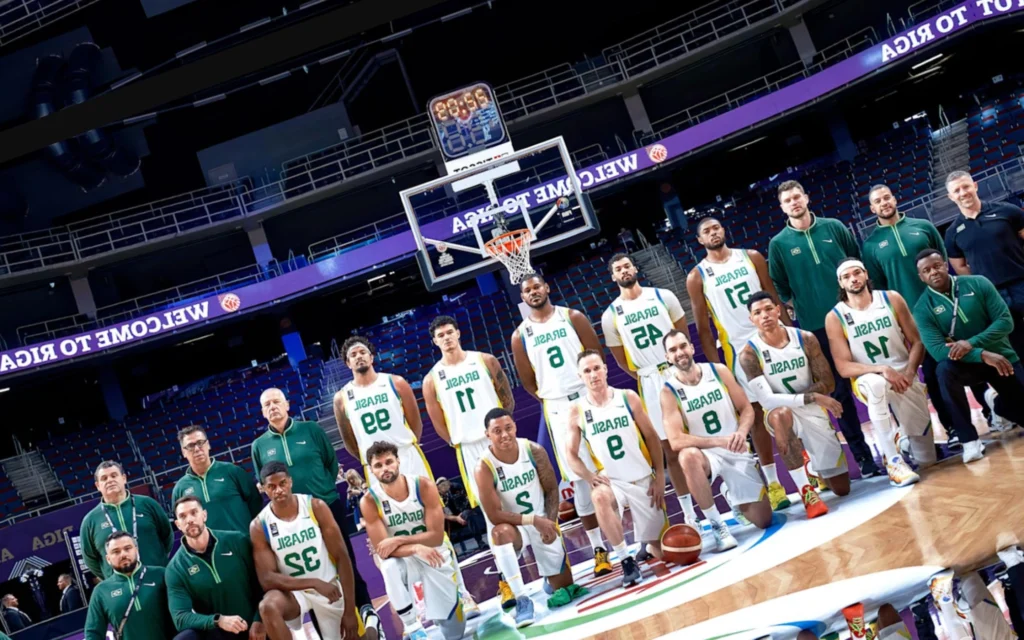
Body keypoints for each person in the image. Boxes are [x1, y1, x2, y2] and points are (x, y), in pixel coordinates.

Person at [768, 180, 879, 477]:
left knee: (876, 376)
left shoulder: (834, 227)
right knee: (840, 393)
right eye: (787, 200)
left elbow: (856, 262)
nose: (794, 202)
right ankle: (864, 457)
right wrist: (801, 303)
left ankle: (899, 444)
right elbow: (779, 286)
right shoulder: (779, 244)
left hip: (852, 316)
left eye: (797, 196)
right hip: (816, 327)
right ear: (782, 207)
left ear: (806, 197)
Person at [685, 217, 793, 511]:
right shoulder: (698, 276)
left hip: (771, 338)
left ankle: (808, 470)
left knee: (791, 405)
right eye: (706, 231)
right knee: (755, 416)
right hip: (736, 350)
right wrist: (713, 370)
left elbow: (773, 297)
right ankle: (773, 483)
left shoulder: (752, 257)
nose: (713, 232)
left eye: (716, 227)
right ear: (699, 240)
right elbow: (703, 327)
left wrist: (787, 335)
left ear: (724, 230)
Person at [251, 387, 375, 633]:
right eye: (267, 405)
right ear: (263, 412)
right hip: (290, 518)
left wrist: (321, 492)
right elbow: (263, 479)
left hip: (324, 504)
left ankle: (367, 612)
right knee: (313, 574)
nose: (272, 407)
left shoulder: (311, 430)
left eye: (276, 402)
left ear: (287, 404)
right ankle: (328, 630)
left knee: (345, 560)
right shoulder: (259, 446)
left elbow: (330, 463)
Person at [510, 273, 609, 577]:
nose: (533, 292)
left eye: (537, 286)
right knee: (580, 479)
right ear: (523, 297)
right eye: (527, 290)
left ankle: (645, 535)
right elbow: (528, 381)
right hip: (556, 406)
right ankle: (599, 550)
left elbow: (596, 356)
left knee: (614, 462)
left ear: (547, 287)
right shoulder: (520, 335)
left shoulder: (573, 317)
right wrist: (552, 397)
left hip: (587, 395)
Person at [859, 184, 972, 441]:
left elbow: (940, 262)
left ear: (895, 198)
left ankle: (988, 412)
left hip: (944, 305)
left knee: (964, 355)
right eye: (878, 200)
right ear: (872, 208)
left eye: (887, 197)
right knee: (933, 373)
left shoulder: (923, 226)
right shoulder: (870, 245)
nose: (884, 202)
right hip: (912, 319)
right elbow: (879, 286)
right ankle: (952, 427)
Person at [600, 253, 699, 525]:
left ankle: (720, 496)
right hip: (649, 379)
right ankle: (689, 513)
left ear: (635, 268)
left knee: (700, 435)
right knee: (670, 450)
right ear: (613, 276)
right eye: (618, 268)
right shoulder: (610, 316)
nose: (624, 271)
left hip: (677, 370)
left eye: (627, 266)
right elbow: (621, 360)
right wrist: (645, 374)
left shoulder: (663, 296)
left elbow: (682, 336)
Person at [738, 292, 851, 519]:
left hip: (810, 411)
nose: (765, 315)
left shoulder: (805, 338)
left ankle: (811, 465)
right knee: (780, 414)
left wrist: (809, 399)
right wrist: (813, 397)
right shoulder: (749, 354)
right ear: (751, 320)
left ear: (778, 310)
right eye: (757, 313)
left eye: (769, 309)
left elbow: (827, 382)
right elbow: (767, 401)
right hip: (781, 412)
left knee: (841, 488)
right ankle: (806, 491)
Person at [660, 329, 773, 551]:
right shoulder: (669, 390)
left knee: (763, 520)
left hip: (735, 447)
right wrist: (719, 441)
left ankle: (732, 496)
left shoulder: (718, 371)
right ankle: (717, 524)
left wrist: (741, 433)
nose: (679, 352)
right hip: (707, 454)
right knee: (687, 456)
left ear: (691, 348)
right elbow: (675, 440)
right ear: (667, 358)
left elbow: (746, 409)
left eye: (682, 346)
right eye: (672, 350)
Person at [474, 408, 588, 628]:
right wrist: (533, 520)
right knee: (500, 533)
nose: (504, 434)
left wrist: (551, 522)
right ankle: (521, 599)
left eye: (508, 428)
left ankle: (550, 577)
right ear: (487, 434)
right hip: (513, 526)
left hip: (542, 519)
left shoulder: (533, 450)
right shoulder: (484, 467)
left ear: (515, 426)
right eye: (497, 431)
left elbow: (552, 490)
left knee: (564, 588)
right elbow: (494, 515)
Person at [825, 258, 936, 483]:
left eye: (857, 273)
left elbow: (917, 342)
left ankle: (903, 441)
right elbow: (844, 367)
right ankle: (893, 461)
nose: (853, 279)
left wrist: (908, 372)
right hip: (869, 378)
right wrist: (882, 369)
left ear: (866, 274)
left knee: (928, 460)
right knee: (876, 386)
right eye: (846, 277)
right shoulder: (835, 317)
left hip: (904, 376)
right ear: (840, 283)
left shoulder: (891, 299)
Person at [565, 350, 667, 586]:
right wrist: (589, 476)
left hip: (643, 480)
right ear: (580, 376)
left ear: (605, 368)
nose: (593, 375)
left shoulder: (627, 397)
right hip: (613, 483)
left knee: (664, 552)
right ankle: (625, 559)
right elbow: (571, 455)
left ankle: (647, 544)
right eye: (587, 371)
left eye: (597, 368)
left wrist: (660, 475)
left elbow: (652, 437)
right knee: (598, 496)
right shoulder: (577, 410)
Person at [913, 249, 1024, 463]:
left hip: (1001, 357)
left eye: (936, 266)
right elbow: (937, 350)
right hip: (965, 366)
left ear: (945, 265)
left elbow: (1005, 321)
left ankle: (997, 405)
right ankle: (969, 439)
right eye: (926, 270)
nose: (933, 272)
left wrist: (970, 343)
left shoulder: (978, 283)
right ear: (921, 277)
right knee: (943, 370)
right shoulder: (922, 308)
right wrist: (981, 354)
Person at [359, 442, 467, 640]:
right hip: (406, 559)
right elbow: (383, 550)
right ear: (371, 470)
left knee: (455, 633)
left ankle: (449, 605)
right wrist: (416, 547)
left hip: (434, 553)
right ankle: (412, 626)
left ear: (398, 461)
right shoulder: (369, 501)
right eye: (378, 465)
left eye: (389, 462)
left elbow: (435, 536)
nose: (385, 468)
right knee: (389, 566)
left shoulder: (423, 485)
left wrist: (399, 539)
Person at [251, 462, 363, 640]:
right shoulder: (260, 525)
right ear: (264, 488)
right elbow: (267, 579)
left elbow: (342, 557)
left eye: (282, 484)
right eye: (271, 487)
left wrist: (350, 611)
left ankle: (370, 623)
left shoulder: (315, 506)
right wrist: (313, 582)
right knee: (268, 606)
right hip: (294, 594)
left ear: (290, 482)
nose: (278, 490)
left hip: (329, 587)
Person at [423, 315, 515, 510]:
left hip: (497, 437)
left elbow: (507, 398)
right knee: (488, 504)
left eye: (449, 332)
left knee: (517, 490)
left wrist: (503, 430)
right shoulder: (431, 379)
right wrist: (455, 440)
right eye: (441, 335)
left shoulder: (485, 360)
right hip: (467, 445)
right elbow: (437, 421)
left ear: (458, 333)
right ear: (435, 341)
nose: (446, 337)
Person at [944, 170, 1024, 361]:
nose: (963, 193)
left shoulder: (1007, 211)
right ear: (950, 197)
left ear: (975, 186)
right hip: (993, 296)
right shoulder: (953, 232)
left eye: (966, 186)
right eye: (957, 190)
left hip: (1021, 281)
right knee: (1015, 345)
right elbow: (960, 267)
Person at [335, 336, 432, 488]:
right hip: (376, 465)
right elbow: (349, 440)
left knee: (427, 503)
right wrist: (371, 459)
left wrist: (406, 444)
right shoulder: (341, 398)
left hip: (406, 455)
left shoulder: (396, 383)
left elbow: (415, 422)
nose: (359, 356)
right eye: (353, 355)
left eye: (362, 352)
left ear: (371, 357)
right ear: (348, 363)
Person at [166, 496, 265, 639]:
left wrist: (259, 620)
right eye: (183, 516)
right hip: (219, 633)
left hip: (255, 625)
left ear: (204, 515)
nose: (189, 520)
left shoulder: (237, 541)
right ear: (177, 524)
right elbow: (180, 617)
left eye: (194, 512)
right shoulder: (175, 568)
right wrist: (218, 620)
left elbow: (263, 584)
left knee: (272, 605)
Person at [80, 460, 173, 579]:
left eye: (114, 475)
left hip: (158, 580)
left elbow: (167, 536)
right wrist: (111, 576)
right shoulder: (90, 521)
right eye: (104, 478)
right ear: (98, 486)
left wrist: (156, 562)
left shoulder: (148, 504)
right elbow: (90, 560)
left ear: (124, 478)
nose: (109, 480)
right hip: (122, 591)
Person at [83, 532, 176, 640]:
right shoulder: (101, 591)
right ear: (108, 559)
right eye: (116, 551)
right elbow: (93, 634)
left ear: (136, 550)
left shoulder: (161, 574)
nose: (123, 554)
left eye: (127, 548)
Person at [172, 425, 263, 535]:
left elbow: (256, 504)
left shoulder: (233, 472)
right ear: (184, 452)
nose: (197, 449)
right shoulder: (180, 488)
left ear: (208, 444)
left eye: (200, 443)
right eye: (191, 446)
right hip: (211, 551)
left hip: (244, 544)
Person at [436, 477, 486, 551]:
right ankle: (449, 550)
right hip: (449, 520)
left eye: (445, 484)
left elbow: (464, 505)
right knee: (438, 523)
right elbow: (441, 514)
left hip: (461, 514)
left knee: (468, 514)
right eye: (441, 485)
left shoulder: (456, 488)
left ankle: (480, 542)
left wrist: (459, 516)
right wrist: (455, 518)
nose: (443, 486)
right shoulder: (436, 497)